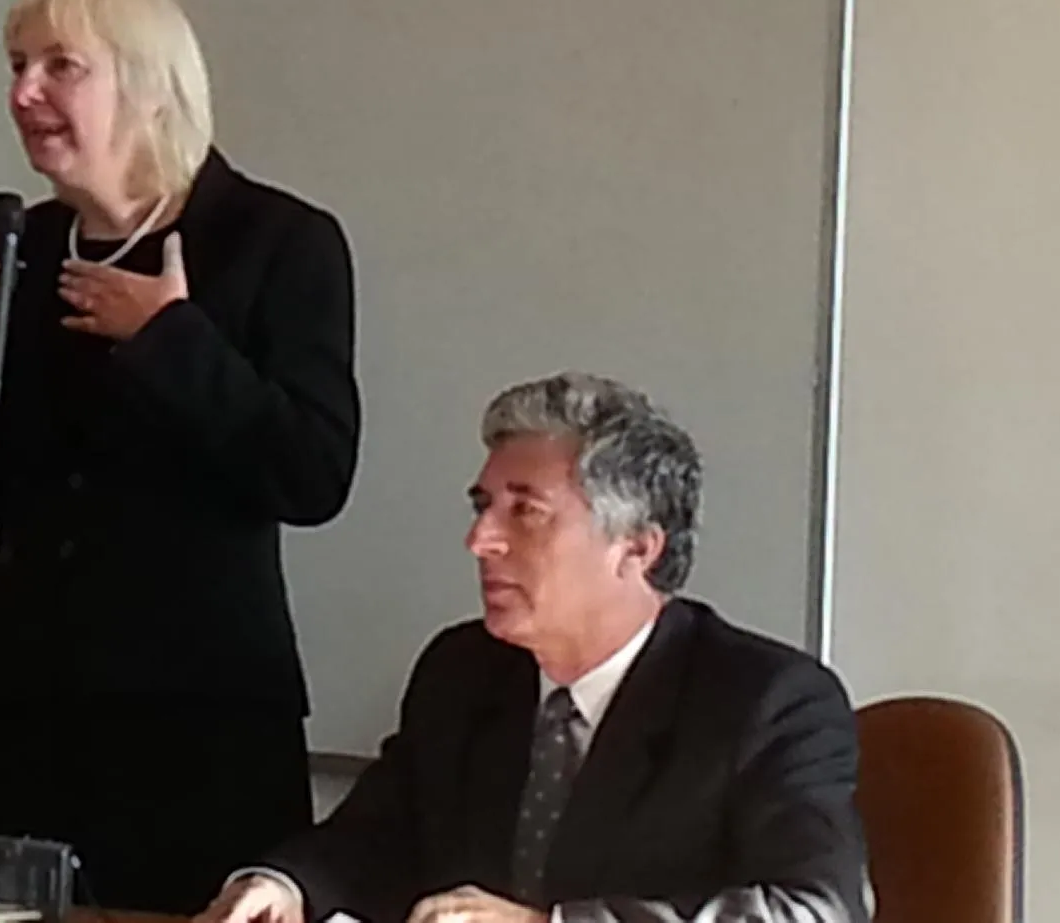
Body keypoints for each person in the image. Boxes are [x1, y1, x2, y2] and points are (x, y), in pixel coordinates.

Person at [0, 0, 360, 911]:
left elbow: (314, 473)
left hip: (196, 727)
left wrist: (168, 337)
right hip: (25, 718)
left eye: (59, 66)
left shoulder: (277, 240)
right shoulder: (27, 246)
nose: (23, 93)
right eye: (16, 65)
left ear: (150, 86)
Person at [196, 372, 870, 923]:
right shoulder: (462, 670)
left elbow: (812, 910)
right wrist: (285, 884)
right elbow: (380, 835)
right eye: (481, 506)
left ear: (636, 548)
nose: (479, 540)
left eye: (525, 511)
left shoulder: (766, 701)